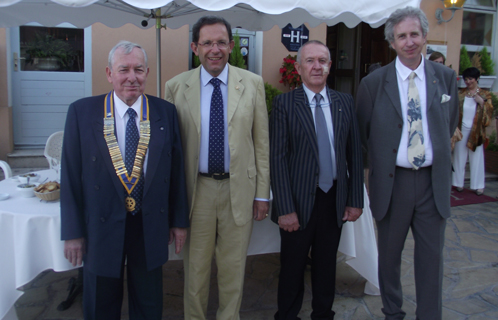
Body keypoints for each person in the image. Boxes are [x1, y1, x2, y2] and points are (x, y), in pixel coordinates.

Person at [60, 40, 189, 319]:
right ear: (109, 73)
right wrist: (72, 232)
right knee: (100, 305)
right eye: (124, 69)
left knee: (149, 304)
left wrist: (179, 222)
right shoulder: (82, 113)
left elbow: (176, 172)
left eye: (138, 69)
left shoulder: (165, 112)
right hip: (101, 225)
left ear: (147, 72)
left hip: (149, 223)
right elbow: (69, 176)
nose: (132, 77)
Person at [164, 16, 270, 320]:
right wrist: (172, 202)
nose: (215, 49)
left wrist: (262, 194)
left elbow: (261, 143)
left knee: (233, 270)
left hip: (240, 189)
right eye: (207, 42)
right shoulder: (176, 86)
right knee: (194, 271)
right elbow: (168, 152)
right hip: (196, 191)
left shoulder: (252, 84)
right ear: (195, 47)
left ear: (232, 46)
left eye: (221, 42)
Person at [356, 7, 459, 320]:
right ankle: (392, 312)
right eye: (402, 36)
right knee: (389, 257)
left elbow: (448, 122)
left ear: (425, 36)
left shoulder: (446, 78)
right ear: (392, 42)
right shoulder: (373, 84)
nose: (410, 41)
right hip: (392, 182)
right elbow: (364, 134)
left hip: (432, 183)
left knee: (431, 259)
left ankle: (429, 315)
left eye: (415, 34)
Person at [270, 40, 364, 319]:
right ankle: (287, 315)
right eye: (310, 61)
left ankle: (323, 314)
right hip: (297, 202)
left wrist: (354, 200)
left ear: (330, 66)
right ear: (298, 68)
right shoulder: (285, 104)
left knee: (326, 265)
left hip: (333, 198)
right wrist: (285, 208)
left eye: (322, 61)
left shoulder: (344, 102)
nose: (317, 66)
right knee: (292, 266)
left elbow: (354, 155)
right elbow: (277, 159)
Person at [453, 67, 494, 195]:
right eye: (466, 79)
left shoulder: (485, 95)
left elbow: (489, 113)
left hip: (476, 130)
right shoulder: (461, 94)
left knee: (477, 158)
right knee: (459, 156)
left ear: (477, 79)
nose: (468, 82)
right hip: (462, 129)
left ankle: (478, 185)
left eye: (470, 79)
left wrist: (482, 103)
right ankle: (457, 183)